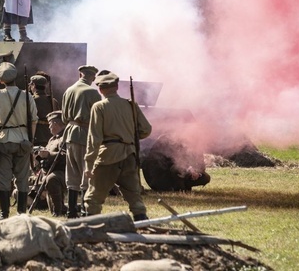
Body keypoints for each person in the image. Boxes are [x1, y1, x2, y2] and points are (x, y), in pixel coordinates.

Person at [83, 72, 153, 221]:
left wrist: (89, 164)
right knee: (134, 195)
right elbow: (146, 129)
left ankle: (90, 225)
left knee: (94, 195)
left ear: (101, 89)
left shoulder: (99, 107)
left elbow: (94, 138)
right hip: (129, 155)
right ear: (116, 87)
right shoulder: (130, 104)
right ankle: (142, 221)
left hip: (108, 156)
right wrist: (129, 136)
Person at [0, 62, 38, 219]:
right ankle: (21, 212)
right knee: (22, 178)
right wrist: (30, 139)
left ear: (1, 80)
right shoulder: (27, 96)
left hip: (4, 139)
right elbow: (34, 120)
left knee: (3, 178)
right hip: (23, 140)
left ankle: (4, 213)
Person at [61, 65, 101, 218]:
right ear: (92, 77)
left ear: (80, 74)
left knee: (72, 174)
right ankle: (85, 211)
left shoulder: (68, 90)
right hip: (85, 135)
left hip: (70, 134)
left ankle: (71, 211)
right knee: (87, 172)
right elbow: (98, 117)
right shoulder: (92, 92)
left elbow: (64, 118)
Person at [141, 134, 211, 192]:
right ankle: (180, 189)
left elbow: (201, 166)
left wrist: (196, 173)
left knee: (205, 177)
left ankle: (183, 186)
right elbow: (174, 163)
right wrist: (190, 169)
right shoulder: (168, 141)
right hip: (161, 178)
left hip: (180, 173)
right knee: (178, 168)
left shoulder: (193, 145)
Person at [33, 110, 67, 216]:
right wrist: (38, 157)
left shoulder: (64, 139)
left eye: (50, 124)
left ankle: (58, 211)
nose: (49, 127)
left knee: (51, 179)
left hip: (62, 171)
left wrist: (48, 154)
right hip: (48, 170)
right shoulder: (52, 139)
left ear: (56, 124)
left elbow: (66, 157)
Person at [30, 74, 60, 147]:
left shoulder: (32, 100)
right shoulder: (53, 101)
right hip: (51, 137)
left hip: (37, 136)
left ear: (33, 85)